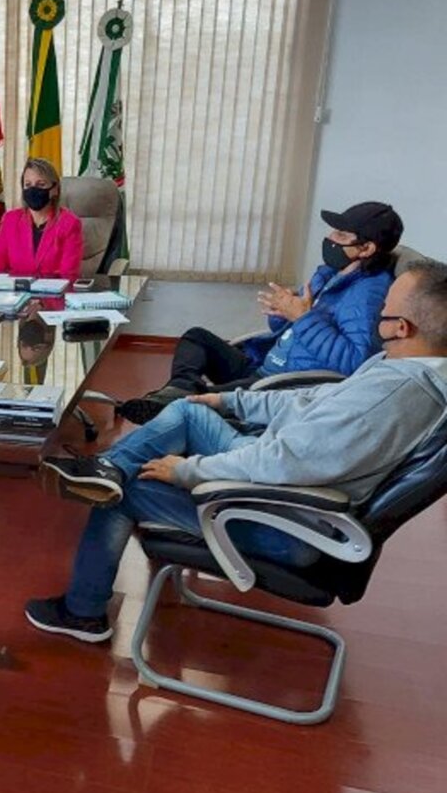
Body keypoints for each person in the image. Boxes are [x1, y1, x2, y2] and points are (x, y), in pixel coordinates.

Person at [25, 259, 447, 642]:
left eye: (385, 308)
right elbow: (312, 399)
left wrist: (191, 471)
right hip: (281, 470)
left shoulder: (393, 395)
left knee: (125, 492)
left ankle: (83, 613)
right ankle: (104, 468)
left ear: (402, 327)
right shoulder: (402, 365)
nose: (377, 315)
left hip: (286, 517)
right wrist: (231, 401)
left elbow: (285, 462)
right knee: (188, 412)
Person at [118, 201, 405, 424]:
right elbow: (291, 331)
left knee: (199, 402)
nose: (330, 238)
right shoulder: (331, 272)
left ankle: (177, 400)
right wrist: (282, 314)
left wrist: (303, 317)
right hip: (266, 365)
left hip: (286, 385)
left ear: (366, 248)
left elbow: (354, 364)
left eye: (341, 234)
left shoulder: (368, 295)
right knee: (196, 338)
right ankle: (179, 388)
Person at [0, 157, 83, 282]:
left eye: (40, 184)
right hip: (15, 294)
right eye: (28, 184)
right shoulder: (10, 219)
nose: (33, 189)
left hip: (52, 296)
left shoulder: (69, 223)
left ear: (54, 189)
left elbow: (68, 275)